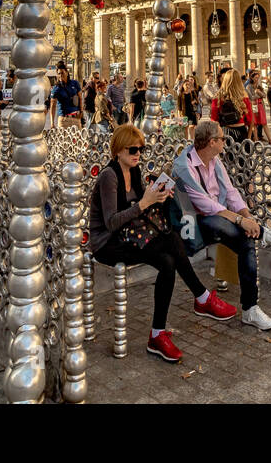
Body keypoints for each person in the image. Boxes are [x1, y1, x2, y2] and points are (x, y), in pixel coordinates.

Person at [90, 124, 230, 363]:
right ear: (118, 150)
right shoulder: (109, 176)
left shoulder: (133, 171)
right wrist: (145, 203)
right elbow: (111, 222)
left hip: (132, 236)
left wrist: (160, 196)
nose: (138, 154)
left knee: (169, 256)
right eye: (133, 149)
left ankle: (158, 333)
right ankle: (201, 298)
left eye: (140, 150)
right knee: (170, 249)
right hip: (108, 243)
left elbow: (142, 209)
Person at [172, 119, 271, 331]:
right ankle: (263, 233)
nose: (225, 141)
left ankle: (250, 309)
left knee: (245, 239)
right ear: (211, 142)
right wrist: (240, 220)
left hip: (218, 218)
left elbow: (230, 192)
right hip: (194, 224)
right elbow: (206, 205)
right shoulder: (184, 167)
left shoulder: (215, 161)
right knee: (229, 226)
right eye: (222, 138)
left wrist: (247, 216)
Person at [211, 69, 251, 142]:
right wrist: (249, 137)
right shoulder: (244, 97)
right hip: (241, 131)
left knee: (227, 153)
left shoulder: (218, 97)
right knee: (243, 152)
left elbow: (214, 120)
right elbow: (250, 120)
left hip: (225, 131)